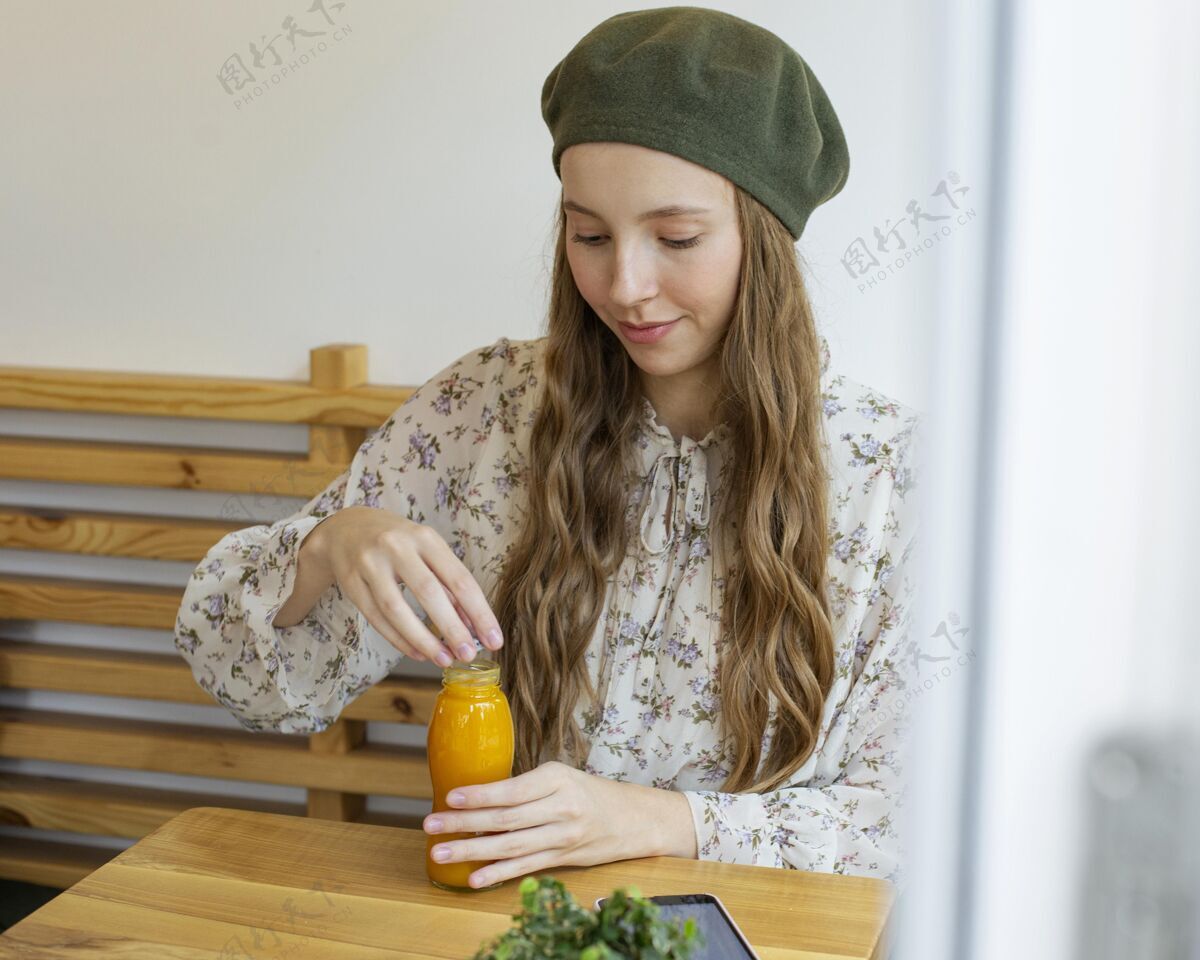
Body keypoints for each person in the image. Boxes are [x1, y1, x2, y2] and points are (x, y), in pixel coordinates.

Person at [175, 6, 920, 889]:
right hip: (515, 927)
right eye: (590, 234)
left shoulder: (888, 475)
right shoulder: (481, 412)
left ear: (765, 239)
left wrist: (656, 820)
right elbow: (250, 684)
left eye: (676, 239)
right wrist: (325, 549)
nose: (625, 286)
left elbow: (913, 821)